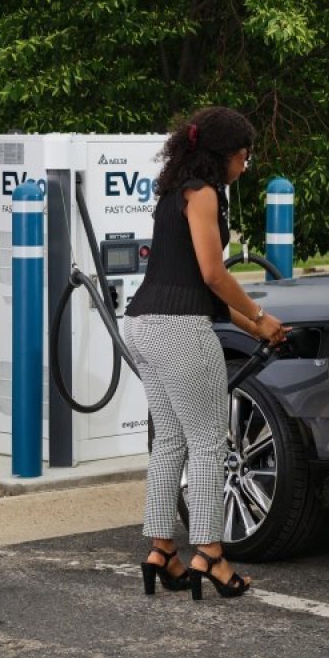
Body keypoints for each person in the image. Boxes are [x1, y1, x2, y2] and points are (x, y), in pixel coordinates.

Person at [122, 106, 287, 600]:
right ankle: (211, 555)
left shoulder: (173, 192)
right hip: (178, 331)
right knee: (211, 443)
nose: (245, 167)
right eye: (244, 157)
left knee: (170, 440)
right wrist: (260, 313)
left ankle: (161, 552)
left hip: (142, 324)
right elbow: (216, 275)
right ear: (225, 156)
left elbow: (202, 290)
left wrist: (259, 328)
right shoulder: (204, 194)